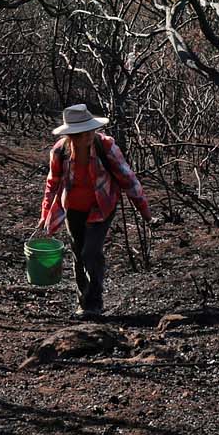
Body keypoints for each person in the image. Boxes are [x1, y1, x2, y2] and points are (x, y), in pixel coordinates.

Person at [37, 104, 151, 317]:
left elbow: (128, 178)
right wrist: (45, 214)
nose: (88, 136)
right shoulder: (60, 151)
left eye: (90, 130)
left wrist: (143, 209)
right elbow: (52, 183)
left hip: (102, 206)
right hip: (73, 208)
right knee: (79, 254)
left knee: (91, 252)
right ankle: (84, 303)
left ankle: (95, 302)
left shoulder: (105, 147)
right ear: (72, 135)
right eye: (82, 133)